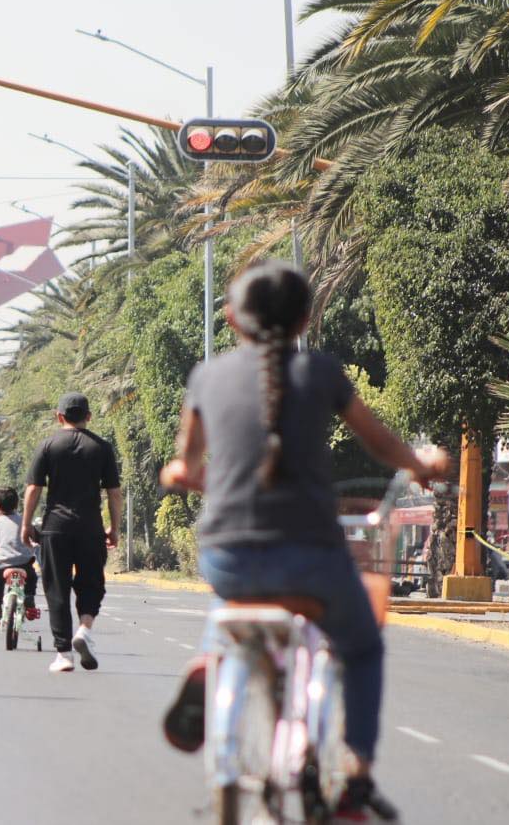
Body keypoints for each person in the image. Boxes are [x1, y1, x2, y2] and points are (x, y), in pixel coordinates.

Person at [158, 262, 447, 821]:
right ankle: (356, 774)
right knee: (361, 646)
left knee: (239, 590)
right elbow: (383, 444)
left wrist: (183, 475)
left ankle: (211, 658)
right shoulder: (321, 373)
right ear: (305, 318)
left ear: (232, 320)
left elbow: (184, 463)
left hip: (228, 556)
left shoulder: (206, 377)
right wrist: (421, 463)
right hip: (313, 558)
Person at [22, 391, 120, 673]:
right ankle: (85, 629)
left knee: (57, 588)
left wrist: (27, 524)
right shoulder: (102, 448)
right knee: (92, 583)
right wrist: (115, 527)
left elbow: (33, 489)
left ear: (59, 416)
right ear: (88, 416)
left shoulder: (48, 445)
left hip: (55, 528)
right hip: (90, 527)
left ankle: (64, 653)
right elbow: (114, 493)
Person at [0, 487, 40, 629]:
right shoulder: (23, 521)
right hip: (24, 563)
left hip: (3, 565)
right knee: (32, 577)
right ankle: (29, 598)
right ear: (16, 504)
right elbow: (36, 535)